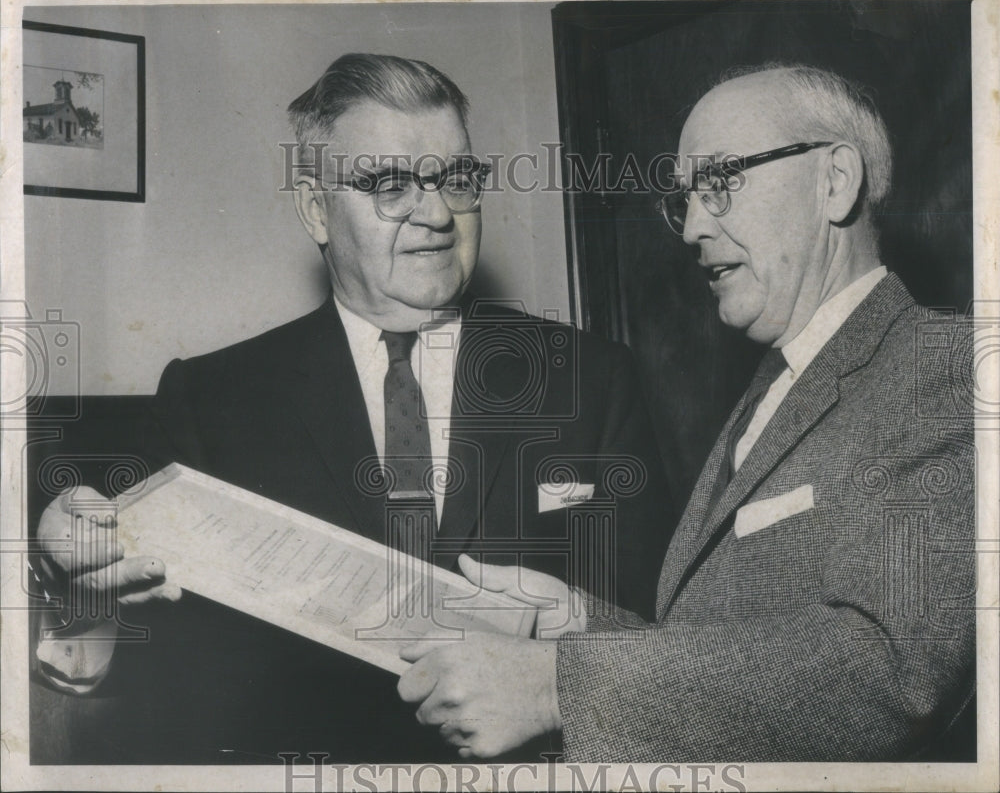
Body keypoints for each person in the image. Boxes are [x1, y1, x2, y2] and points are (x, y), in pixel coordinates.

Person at [32, 53, 671, 762]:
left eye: (455, 179)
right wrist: (72, 571)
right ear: (315, 208)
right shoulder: (211, 397)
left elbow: (654, 634)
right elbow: (144, 642)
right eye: (389, 184)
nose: (435, 215)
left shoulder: (594, 377)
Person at [398, 63, 976, 762]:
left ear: (835, 181)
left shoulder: (945, 365)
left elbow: (887, 666)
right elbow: (712, 650)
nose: (693, 226)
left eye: (721, 183)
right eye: (687, 199)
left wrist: (555, 686)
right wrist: (572, 620)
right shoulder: (774, 386)